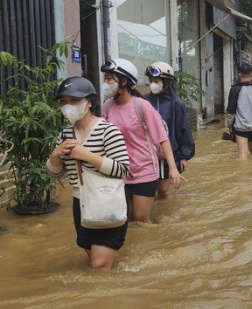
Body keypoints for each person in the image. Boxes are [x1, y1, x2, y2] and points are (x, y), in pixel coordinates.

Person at [46, 76, 130, 271]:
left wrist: (86, 155)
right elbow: (55, 175)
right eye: (63, 102)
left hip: (107, 200)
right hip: (80, 203)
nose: (68, 106)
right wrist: (55, 155)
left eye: (74, 100)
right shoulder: (65, 135)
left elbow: (123, 169)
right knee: (91, 256)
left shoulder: (109, 131)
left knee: (98, 265)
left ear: (90, 102)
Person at [100, 58, 183, 224]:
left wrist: (173, 169)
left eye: (110, 78)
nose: (105, 83)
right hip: (119, 171)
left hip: (144, 171)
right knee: (125, 219)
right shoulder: (107, 107)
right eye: (106, 78)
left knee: (140, 219)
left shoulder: (142, 106)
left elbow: (163, 138)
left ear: (124, 81)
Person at [143, 61, 195, 199]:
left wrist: (184, 156)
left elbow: (183, 129)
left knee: (163, 190)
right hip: (147, 155)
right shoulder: (144, 102)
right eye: (151, 81)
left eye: (156, 81)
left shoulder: (176, 104)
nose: (153, 84)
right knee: (147, 191)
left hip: (167, 157)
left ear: (167, 82)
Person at [226, 63, 252, 159]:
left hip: (240, 127)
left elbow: (231, 111)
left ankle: (243, 173)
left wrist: (229, 125)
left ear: (239, 74)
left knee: (242, 154)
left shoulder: (234, 90)